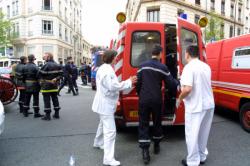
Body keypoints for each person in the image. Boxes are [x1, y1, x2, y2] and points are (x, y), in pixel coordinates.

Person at [136, 44, 179, 164]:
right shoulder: (163, 67)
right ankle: (156, 145)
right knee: (156, 122)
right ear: (160, 54)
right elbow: (171, 84)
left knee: (143, 123)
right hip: (156, 100)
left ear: (151, 53)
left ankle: (145, 153)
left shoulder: (142, 66)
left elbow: (138, 83)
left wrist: (141, 94)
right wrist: (178, 82)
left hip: (144, 99)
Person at [92, 49, 136, 166]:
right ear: (111, 58)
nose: (117, 59)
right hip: (105, 104)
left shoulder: (104, 68)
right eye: (116, 57)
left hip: (103, 103)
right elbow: (112, 86)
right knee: (110, 132)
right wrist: (129, 82)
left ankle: (98, 142)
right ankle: (108, 159)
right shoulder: (107, 70)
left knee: (102, 124)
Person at [176, 45, 215, 166]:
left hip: (195, 106)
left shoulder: (189, 68)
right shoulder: (206, 67)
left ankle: (193, 161)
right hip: (208, 105)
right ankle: (202, 156)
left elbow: (187, 89)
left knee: (192, 134)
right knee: (203, 133)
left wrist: (179, 98)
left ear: (187, 54)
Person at [38, 52, 63, 120]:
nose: (44, 58)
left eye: (45, 57)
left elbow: (39, 75)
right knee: (55, 99)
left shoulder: (46, 65)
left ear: (48, 57)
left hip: (46, 86)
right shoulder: (57, 65)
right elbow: (61, 75)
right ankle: (57, 114)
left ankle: (47, 115)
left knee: (47, 100)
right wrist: (56, 78)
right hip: (54, 85)